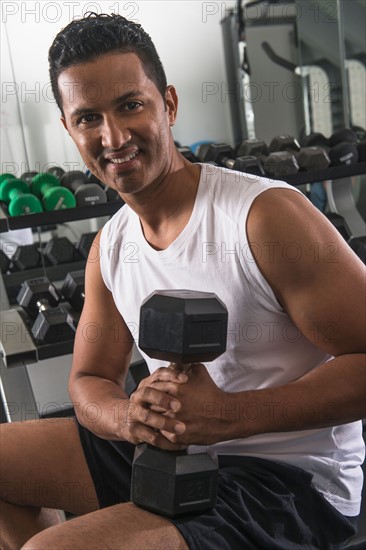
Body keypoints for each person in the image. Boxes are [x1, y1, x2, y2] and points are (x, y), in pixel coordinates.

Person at [1, 12, 365, 550]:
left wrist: (226, 417)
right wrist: (131, 419)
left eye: (131, 105)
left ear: (167, 104)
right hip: (175, 455)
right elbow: (87, 384)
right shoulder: (111, 247)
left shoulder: (264, 218)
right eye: (88, 118)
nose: (114, 136)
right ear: (69, 130)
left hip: (290, 482)